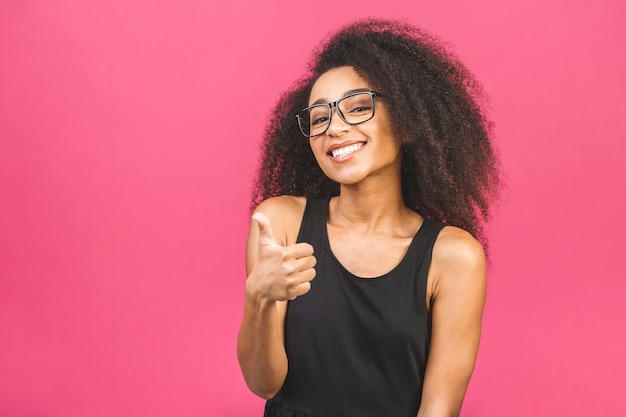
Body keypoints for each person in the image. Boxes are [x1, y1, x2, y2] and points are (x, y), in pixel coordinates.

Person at [237, 18, 502, 417]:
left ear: (409, 121)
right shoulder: (280, 224)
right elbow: (264, 384)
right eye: (319, 117)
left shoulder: (453, 257)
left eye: (358, 107)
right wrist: (258, 297)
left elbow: (439, 409)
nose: (335, 128)